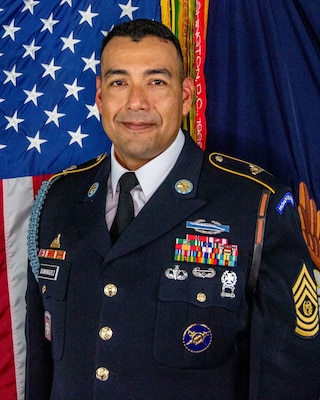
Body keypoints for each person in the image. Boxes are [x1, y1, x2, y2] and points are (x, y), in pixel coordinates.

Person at [25, 19, 320, 399]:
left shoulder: (254, 204)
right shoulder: (57, 200)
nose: (136, 102)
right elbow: (41, 370)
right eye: (119, 82)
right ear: (99, 96)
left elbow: (291, 380)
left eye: (156, 81)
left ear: (185, 96)